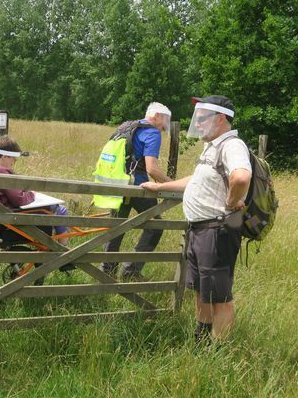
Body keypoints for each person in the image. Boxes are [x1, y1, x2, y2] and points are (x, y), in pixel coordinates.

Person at [141, 95, 252, 343]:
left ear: (221, 118)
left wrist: (232, 203)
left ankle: (218, 352)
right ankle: (200, 342)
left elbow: (242, 178)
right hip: (199, 230)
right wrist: (161, 187)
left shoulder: (232, 145)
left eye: (202, 118)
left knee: (220, 297)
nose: (198, 124)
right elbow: (195, 181)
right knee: (202, 291)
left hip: (216, 230)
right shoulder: (211, 147)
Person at [100, 102, 173, 280]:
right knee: (156, 227)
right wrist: (174, 183)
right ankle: (130, 271)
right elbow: (152, 169)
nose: (164, 126)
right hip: (137, 186)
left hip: (117, 183)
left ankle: (106, 274)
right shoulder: (152, 132)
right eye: (165, 120)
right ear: (156, 115)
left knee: (116, 228)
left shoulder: (127, 126)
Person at [0, 135, 71, 246]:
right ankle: (63, 253)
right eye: (14, 160)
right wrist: (32, 194)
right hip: (11, 218)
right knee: (61, 210)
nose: (13, 164)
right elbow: (19, 199)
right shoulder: (2, 173)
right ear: (4, 157)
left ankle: (56, 250)